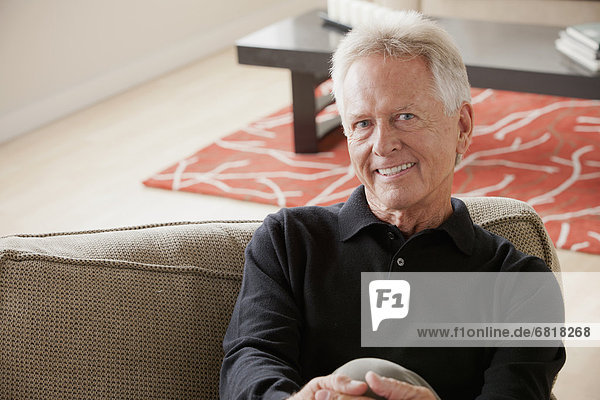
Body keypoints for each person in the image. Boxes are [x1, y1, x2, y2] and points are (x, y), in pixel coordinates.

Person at [220, 10, 565, 400]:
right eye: (363, 123)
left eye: (405, 116)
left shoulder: (522, 286)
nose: (382, 145)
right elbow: (251, 360)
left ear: (462, 127)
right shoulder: (286, 242)